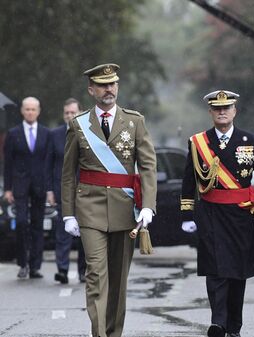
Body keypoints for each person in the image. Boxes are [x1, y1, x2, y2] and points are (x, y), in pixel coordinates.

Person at [61, 63, 157, 337]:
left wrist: (148, 205)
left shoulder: (135, 121)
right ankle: (99, 333)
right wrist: (68, 213)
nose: (109, 89)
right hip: (89, 209)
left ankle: (114, 332)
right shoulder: (78, 124)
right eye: (102, 85)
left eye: (112, 84)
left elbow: (148, 166)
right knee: (95, 275)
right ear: (92, 90)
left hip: (126, 210)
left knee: (118, 280)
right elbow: (68, 174)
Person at [180, 90, 254, 337]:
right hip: (210, 214)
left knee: (236, 273)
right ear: (210, 112)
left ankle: (234, 326)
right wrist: (187, 214)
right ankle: (218, 322)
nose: (222, 112)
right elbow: (188, 181)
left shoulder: (251, 141)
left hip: (241, 215)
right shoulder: (197, 142)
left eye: (227, 108)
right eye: (217, 108)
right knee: (215, 270)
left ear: (235, 111)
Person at [3, 96, 52, 279]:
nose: (30, 112)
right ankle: (22, 263)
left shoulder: (46, 134)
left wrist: (50, 188)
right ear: (22, 111)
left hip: (40, 185)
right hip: (20, 185)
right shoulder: (13, 133)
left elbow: (48, 162)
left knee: (38, 225)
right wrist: (7, 189)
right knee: (22, 223)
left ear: (38, 111)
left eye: (33, 109)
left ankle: (35, 266)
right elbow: (7, 164)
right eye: (27, 109)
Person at [50, 98, 86, 284]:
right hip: (61, 189)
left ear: (81, 113)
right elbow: (48, 164)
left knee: (84, 234)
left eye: (73, 113)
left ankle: (83, 271)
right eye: (67, 113)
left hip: (85, 190)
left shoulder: (89, 133)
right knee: (62, 233)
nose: (70, 116)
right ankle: (62, 270)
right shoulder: (55, 135)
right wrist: (49, 190)